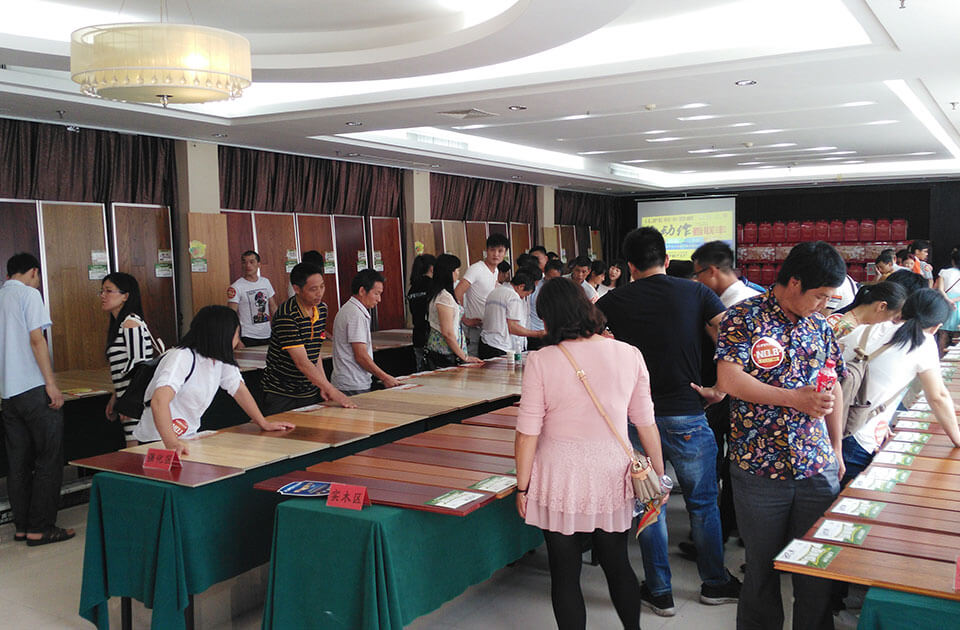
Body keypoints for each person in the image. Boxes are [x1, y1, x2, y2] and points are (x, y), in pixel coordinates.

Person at [597, 227, 739, 617]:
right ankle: (714, 582)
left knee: (650, 502)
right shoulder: (696, 293)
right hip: (687, 411)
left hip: (634, 418)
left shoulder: (612, 301)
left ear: (629, 266)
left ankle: (660, 591)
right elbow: (730, 333)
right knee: (704, 503)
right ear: (666, 258)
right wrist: (721, 387)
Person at [515, 277, 666, 630]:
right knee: (617, 563)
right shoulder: (628, 353)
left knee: (564, 573)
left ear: (549, 317)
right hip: (612, 472)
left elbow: (527, 432)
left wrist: (522, 487)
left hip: (557, 475)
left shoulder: (542, 360)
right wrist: (658, 476)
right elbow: (645, 423)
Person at [715, 241, 847, 630]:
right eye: (820, 295)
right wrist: (793, 399)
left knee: (814, 567)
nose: (824, 304)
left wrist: (836, 447)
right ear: (794, 282)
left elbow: (833, 385)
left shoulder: (820, 325)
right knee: (761, 567)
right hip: (759, 468)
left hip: (815, 466)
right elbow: (729, 379)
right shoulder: (743, 317)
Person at [837, 289, 960, 485]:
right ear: (936, 326)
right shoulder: (923, 343)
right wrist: (957, 439)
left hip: (833, 426)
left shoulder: (866, 330)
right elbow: (938, 397)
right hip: (860, 436)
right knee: (845, 495)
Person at [133, 306, 294, 452]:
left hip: (188, 435)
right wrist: (171, 443)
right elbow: (159, 401)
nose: (238, 340)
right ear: (223, 334)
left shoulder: (220, 359)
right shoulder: (182, 357)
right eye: (237, 333)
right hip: (158, 439)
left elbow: (239, 390)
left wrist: (263, 422)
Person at [0, 253, 73, 546]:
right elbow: (36, 339)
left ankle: (22, 526)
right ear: (33, 272)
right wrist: (51, 384)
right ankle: (40, 528)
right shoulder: (29, 295)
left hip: (8, 394)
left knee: (17, 463)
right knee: (48, 458)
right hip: (33, 388)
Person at [261, 262, 355, 415]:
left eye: (322, 287)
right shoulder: (287, 315)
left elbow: (315, 351)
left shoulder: (321, 309)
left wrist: (323, 385)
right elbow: (302, 362)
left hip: (309, 389)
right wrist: (333, 390)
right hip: (282, 392)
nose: (319, 293)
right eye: (313, 289)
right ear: (297, 289)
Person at [100, 272, 160, 445]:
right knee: (133, 449)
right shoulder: (120, 324)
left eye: (109, 291)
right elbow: (125, 369)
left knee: (136, 449)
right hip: (129, 399)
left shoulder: (131, 322)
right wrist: (116, 396)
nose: (103, 295)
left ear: (125, 296)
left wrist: (128, 402)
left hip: (136, 402)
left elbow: (139, 365)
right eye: (102, 291)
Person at [331, 269, 401, 395]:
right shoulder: (355, 314)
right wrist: (384, 377)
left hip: (350, 381)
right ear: (362, 291)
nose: (379, 299)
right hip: (353, 383)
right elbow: (361, 355)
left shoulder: (350, 309)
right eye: (376, 294)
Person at [456, 233, 510, 355]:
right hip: (474, 327)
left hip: (488, 328)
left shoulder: (496, 271)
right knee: (473, 361)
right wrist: (464, 319)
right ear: (486, 251)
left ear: (505, 253)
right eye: (492, 250)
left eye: (500, 251)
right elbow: (458, 292)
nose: (496, 254)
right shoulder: (476, 269)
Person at [426, 254, 483, 367]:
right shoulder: (444, 298)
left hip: (449, 351)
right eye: (456, 270)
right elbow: (447, 333)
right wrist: (464, 357)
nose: (458, 273)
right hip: (445, 353)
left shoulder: (442, 294)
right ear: (449, 272)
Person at [479, 269, 545, 359]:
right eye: (526, 294)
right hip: (500, 345)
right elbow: (513, 327)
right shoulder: (513, 296)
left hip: (486, 342)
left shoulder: (495, 291)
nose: (523, 298)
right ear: (521, 287)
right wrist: (538, 334)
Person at [228, 250, 277, 347]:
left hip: (267, 334)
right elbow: (231, 315)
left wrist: (280, 329)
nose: (248, 265)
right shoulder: (236, 287)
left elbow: (273, 307)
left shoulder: (265, 282)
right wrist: (237, 339)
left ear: (259, 264)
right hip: (247, 336)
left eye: (251, 262)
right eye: (244, 262)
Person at [691, 241, 761, 309]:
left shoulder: (735, 307)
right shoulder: (755, 297)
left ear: (711, 271)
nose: (697, 280)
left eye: (697, 275)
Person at [826, 281, 906, 339]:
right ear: (882, 306)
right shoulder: (847, 329)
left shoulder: (851, 323)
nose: (893, 323)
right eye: (894, 318)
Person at [406, 253, 436, 371]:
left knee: (421, 370)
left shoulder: (412, 288)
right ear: (432, 268)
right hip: (432, 336)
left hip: (418, 335)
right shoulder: (433, 286)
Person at [528, 259, 562, 350]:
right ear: (545, 273)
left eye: (555, 278)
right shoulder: (536, 286)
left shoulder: (561, 289)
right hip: (534, 330)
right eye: (549, 277)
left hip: (552, 332)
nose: (551, 281)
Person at [934, 247, 960, 350]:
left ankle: (941, 356)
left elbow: (940, 289)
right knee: (957, 334)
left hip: (944, 303)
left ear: (953, 261)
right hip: (958, 303)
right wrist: (954, 300)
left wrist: (948, 300)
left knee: (943, 333)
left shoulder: (944, 272)